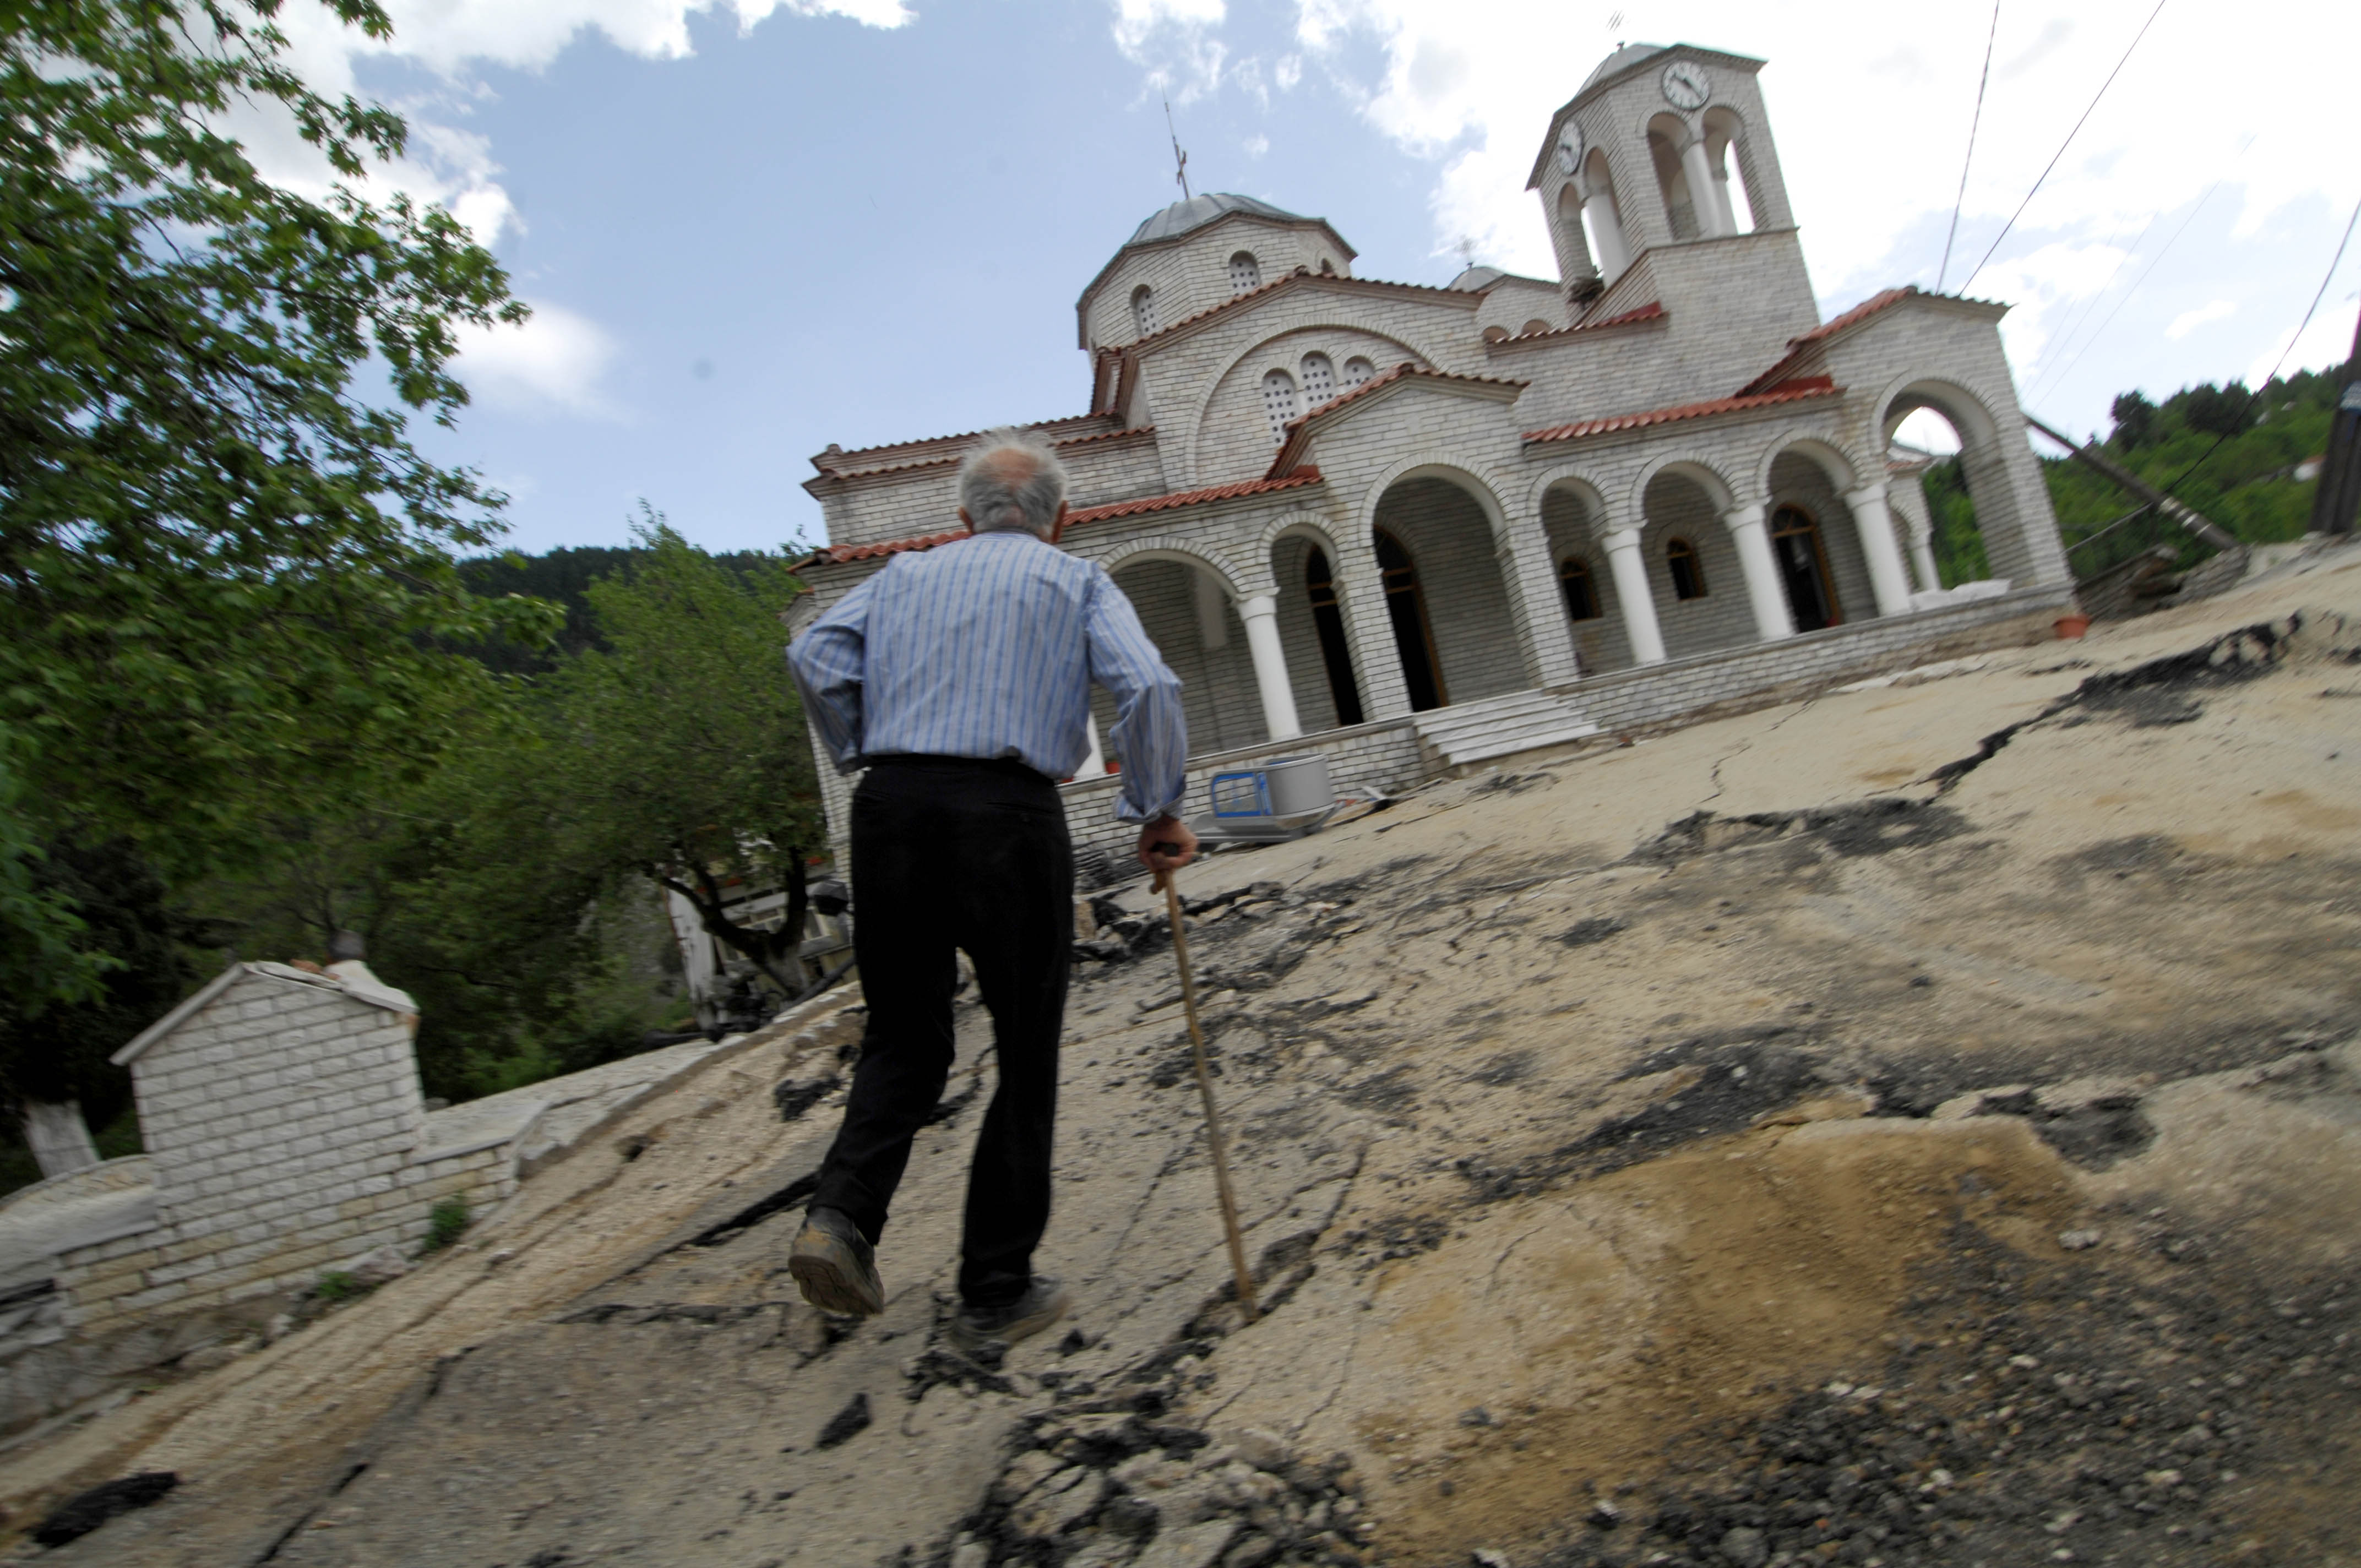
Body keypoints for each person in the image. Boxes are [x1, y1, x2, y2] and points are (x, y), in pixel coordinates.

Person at [784, 428, 1198, 1353]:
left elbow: (813, 658)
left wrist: (868, 748)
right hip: (1007, 818)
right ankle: (994, 1289)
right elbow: (1150, 687)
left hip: (890, 809)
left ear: (963, 517)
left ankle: (839, 1222)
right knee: (1023, 1045)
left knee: (905, 1033)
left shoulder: (903, 574)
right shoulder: (1079, 579)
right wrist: (1156, 808)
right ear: (1064, 522)